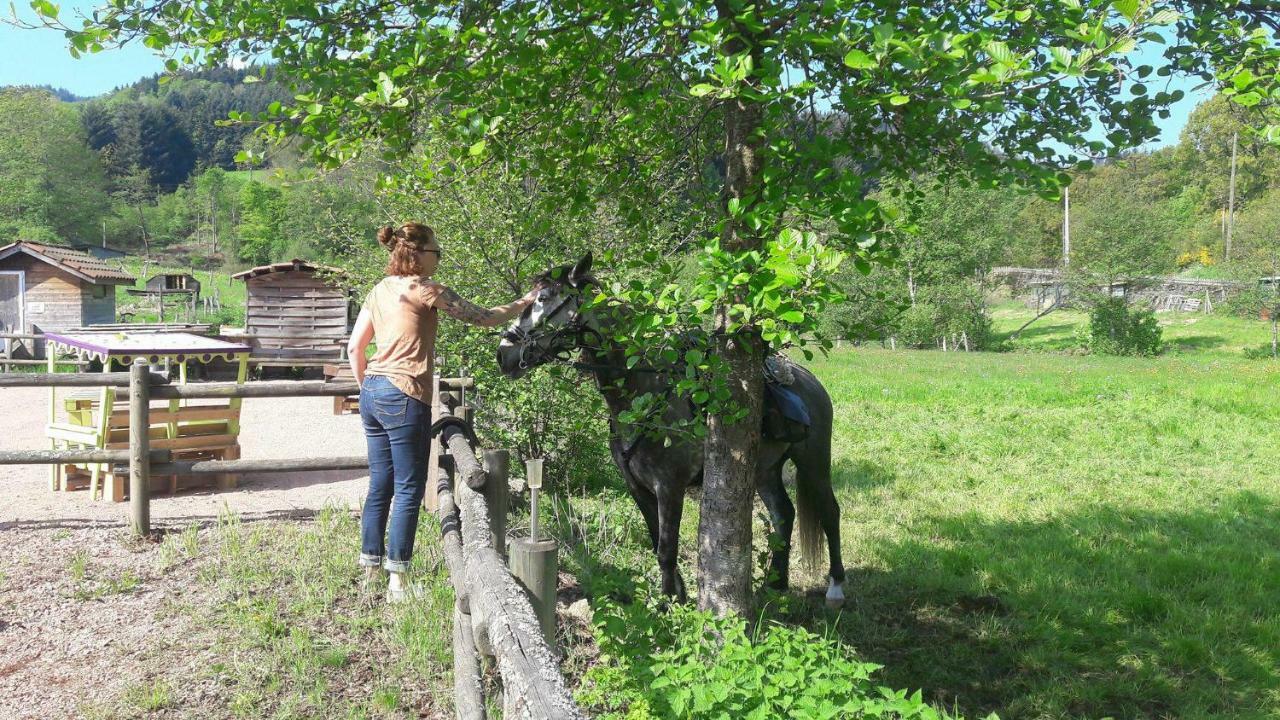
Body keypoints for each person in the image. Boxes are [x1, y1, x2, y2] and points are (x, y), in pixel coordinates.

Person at [347, 222, 539, 602]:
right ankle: (398, 581)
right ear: (417, 254)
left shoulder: (379, 290)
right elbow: (484, 317)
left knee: (380, 482)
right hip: (405, 394)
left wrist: (368, 388)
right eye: (437, 251)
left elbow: (355, 349)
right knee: (408, 487)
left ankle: (370, 568)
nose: (439, 258)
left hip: (372, 391)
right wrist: (525, 302)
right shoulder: (426, 289)